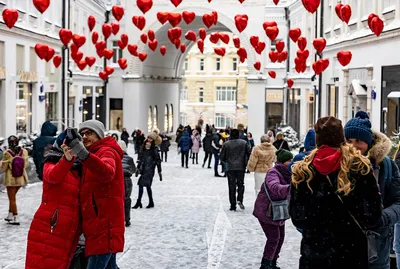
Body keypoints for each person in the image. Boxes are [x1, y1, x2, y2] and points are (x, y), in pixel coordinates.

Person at [290, 116, 383, 269]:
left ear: (318, 140)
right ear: (342, 138)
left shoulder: (303, 171)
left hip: (315, 256)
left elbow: (297, 217)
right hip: (352, 255)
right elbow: (373, 215)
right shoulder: (359, 167)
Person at [344, 111, 400, 269]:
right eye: (349, 140)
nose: (353, 146)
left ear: (369, 143)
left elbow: (398, 202)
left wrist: (381, 218)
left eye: (359, 141)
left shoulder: (386, 166)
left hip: (376, 250)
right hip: (341, 250)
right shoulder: (337, 165)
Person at [67, 120, 125, 269]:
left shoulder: (106, 151)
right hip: (97, 226)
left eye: (90, 133)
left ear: (99, 135)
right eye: (82, 134)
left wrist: (83, 155)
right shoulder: (92, 154)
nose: (85, 137)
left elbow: (107, 172)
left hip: (105, 227)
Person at [26, 131, 81, 268]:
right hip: (50, 227)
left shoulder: (79, 168)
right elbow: (53, 176)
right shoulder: (50, 162)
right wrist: (66, 160)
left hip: (69, 230)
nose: (71, 150)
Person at [253, 149, 293, 269]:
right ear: (283, 161)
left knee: (280, 238)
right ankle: (265, 265)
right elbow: (274, 187)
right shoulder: (273, 172)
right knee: (274, 238)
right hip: (266, 210)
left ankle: (273, 262)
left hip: (279, 211)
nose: (291, 163)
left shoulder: (289, 173)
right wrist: (290, 188)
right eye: (289, 160)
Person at [220, 129, 251, 211]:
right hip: (241, 167)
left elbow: (222, 157)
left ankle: (232, 205)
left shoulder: (226, 144)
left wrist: (226, 164)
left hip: (230, 167)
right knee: (241, 184)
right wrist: (246, 162)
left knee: (231, 186)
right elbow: (249, 153)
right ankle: (240, 199)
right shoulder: (243, 143)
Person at [1, 135, 29, 225]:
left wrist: (2, 162)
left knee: (12, 199)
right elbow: (25, 165)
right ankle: (10, 215)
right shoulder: (24, 151)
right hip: (20, 179)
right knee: (12, 198)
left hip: (11, 180)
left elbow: (4, 168)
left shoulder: (7, 153)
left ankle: (16, 217)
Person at [133, 132, 162, 209]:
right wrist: (137, 168)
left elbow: (158, 161)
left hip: (150, 170)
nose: (149, 139)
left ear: (153, 140)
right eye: (148, 138)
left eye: (151, 138)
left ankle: (138, 202)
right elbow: (140, 159)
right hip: (143, 169)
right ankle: (151, 202)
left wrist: (159, 171)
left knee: (141, 184)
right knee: (147, 186)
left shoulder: (154, 149)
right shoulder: (143, 147)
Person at [119, 140, 136, 227]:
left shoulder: (114, 157)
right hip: (127, 180)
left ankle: (120, 218)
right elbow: (134, 170)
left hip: (117, 179)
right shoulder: (129, 159)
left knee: (118, 200)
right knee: (127, 199)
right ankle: (127, 218)